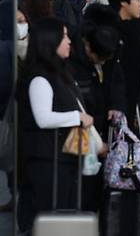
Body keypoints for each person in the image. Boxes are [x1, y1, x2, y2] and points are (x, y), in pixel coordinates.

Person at [16, 18, 95, 233]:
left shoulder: (59, 72)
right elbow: (43, 118)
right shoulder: (39, 77)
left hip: (61, 158)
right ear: (50, 41)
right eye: (64, 36)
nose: (69, 41)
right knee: (48, 216)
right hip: (46, 160)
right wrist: (77, 117)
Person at [69, 4, 126, 213]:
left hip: (102, 122)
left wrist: (116, 106)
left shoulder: (110, 45)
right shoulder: (74, 54)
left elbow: (117, 80)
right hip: (81, 127)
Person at [107, 0, 140, 150]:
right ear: (123, 1)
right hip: (117, 110)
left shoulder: (138, 32)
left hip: (137, 106)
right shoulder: (107, 35)